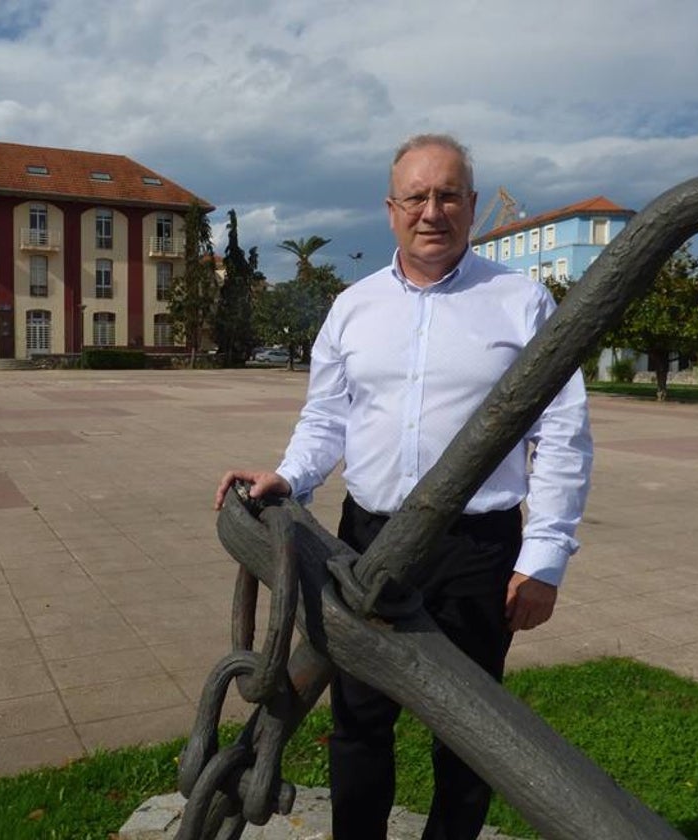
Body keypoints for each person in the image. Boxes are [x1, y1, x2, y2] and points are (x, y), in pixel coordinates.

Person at [214, 134, 592, 840]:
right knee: (359, 721)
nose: (432, 211)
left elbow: (562, 435)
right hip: (370, 541)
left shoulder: (522, 303)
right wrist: (288, 475)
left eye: (449, 195)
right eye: (416, 196)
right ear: (390, 209)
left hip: (478, 548)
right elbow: (327, 418)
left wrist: (543, 560)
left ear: (473, 206)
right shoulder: (353, 307)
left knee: (473, 731)